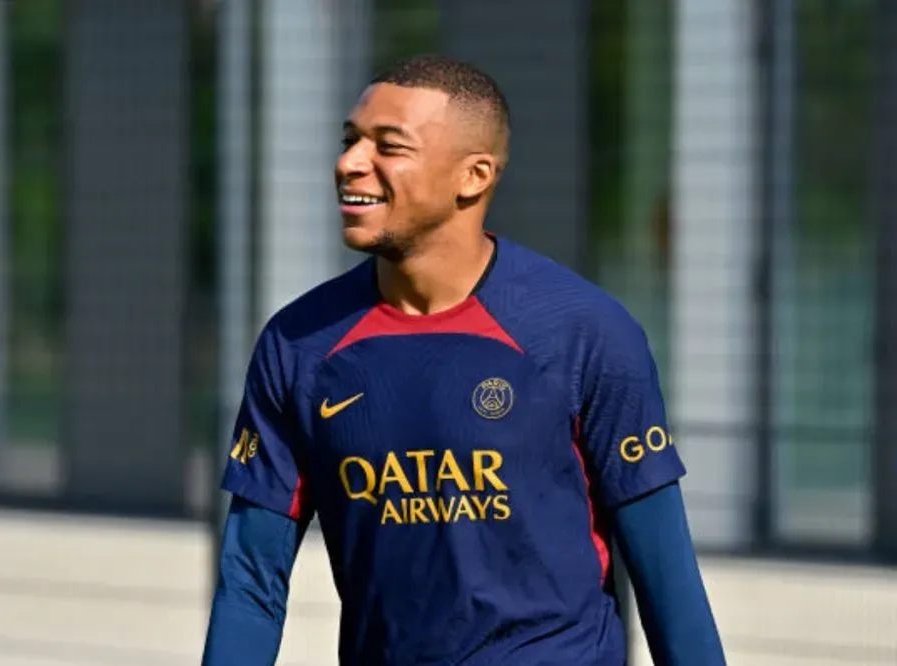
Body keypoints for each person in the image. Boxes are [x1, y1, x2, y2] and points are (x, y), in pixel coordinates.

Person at [201, 54, 726, 666]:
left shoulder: (585, 332)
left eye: (388, 146)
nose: (350, 163)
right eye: (350, 141)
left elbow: (668, 579)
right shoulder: (298, 344)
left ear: (473, 176)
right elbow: (251, 585)